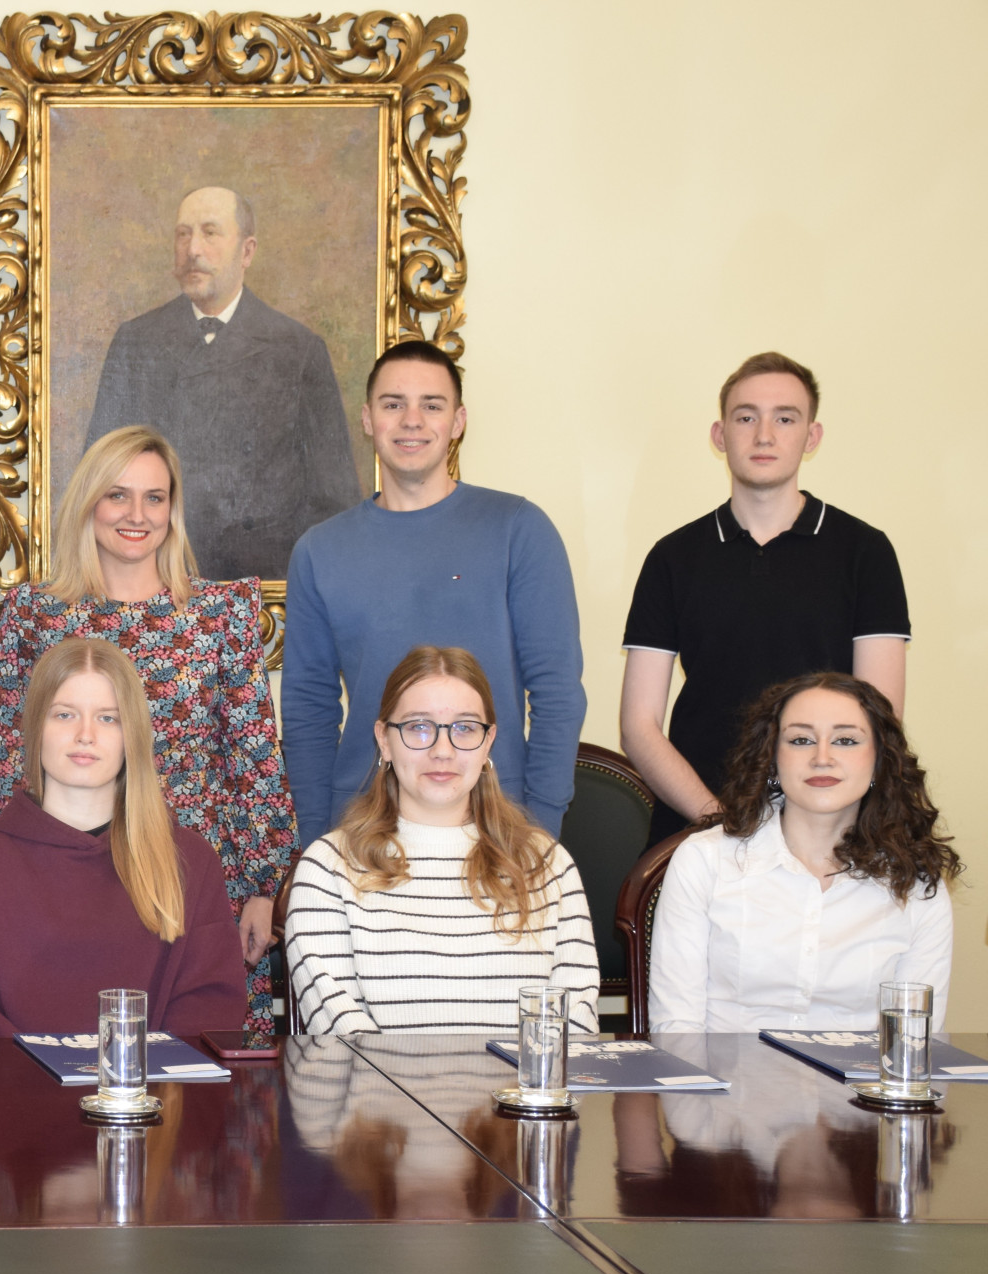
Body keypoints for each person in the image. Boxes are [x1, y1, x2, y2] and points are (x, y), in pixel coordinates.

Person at [0, 425, 294, 1033]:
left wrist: (264, 888)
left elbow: (254, 758)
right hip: (67, 883)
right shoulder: (35, 616)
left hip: (198, 886)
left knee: (202, 1066)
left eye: (154, 498)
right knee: (71, 1051)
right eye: (118, 495)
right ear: (89, 502)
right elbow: (10, 758)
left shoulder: (221, 613)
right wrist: (13, 878)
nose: (137, 515)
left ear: (172, 510)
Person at [282, 340, 584, 842]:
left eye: (432, 405)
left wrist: (539, 833)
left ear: (458, 421)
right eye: (393, 404)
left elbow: (557, 693)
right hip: (362, 830)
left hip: (496, 827)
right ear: (367, 418)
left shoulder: (519, 529)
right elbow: (309, 709)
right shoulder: (319, 550)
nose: (412, 421)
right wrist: (316, 842)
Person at [622, 352, 910, 846]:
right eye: (746, 417)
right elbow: (638, 726)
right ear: (720, 435)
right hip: (700, 828)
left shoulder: (865, 552)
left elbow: (879, 719)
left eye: (785, 418)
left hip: (830, 832)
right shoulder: (672, 557)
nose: (764, 435)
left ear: (812, 436)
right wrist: (723, 825)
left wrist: (805, 831)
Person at [285, 646, 599, 1035]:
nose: (443, 751)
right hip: (377, 1078)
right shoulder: (328, 869)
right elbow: (342, 1034)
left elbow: (574, 1027)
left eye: (465, 728)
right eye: (419, 727)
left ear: (488, 741)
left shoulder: (547, 864)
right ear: (384, 740)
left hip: (520, 1079)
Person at [0, 638, 246, 1037]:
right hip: (15, 1078)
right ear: (36, 727)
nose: (85, 734)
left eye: (108, 718)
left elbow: (209, 1011)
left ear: (132, 735)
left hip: (154, 1078)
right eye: (65, 715)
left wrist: (137, 1075)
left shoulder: (189, 858)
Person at [648, 672, 957, 1033]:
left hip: (861, 1073)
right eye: (800, 740)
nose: (822, 757)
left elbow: (915, 1040)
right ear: (772, 758)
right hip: (721, 1072)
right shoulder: (704, 861)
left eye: (845, 740)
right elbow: (677, 1029)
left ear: (879, 761)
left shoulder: (916, 883)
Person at [84, 186, 360, 582]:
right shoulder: (136, 341)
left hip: (263, 585)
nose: (193, 249)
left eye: (210, 233)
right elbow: (96, 479)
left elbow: (333, 502)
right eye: (183, 234)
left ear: (247, 251)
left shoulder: (298, 349)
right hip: (156, 578)